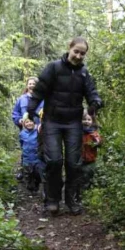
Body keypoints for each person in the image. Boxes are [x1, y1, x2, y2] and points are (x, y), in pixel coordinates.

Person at [24, 37, 103, 216]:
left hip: (73, 123)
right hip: (52, 121)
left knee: (74, 163)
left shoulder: (84, 73)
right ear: (69, 48)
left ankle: (71, 199)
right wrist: (30, 109)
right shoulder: (53, 68)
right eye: (76, 51)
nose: (78, 56)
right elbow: (39, 90)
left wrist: (95, 102)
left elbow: (92, 92)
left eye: (82, 54)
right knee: (53, 160)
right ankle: (52, 200)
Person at [77, 110, 102, 203]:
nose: (86, 121)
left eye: (89, 119)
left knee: (88, 177)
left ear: (92, 121)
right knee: (79, 178)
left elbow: (99, 142)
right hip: (79, 159)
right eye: (84, 119)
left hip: (90, 160)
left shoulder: (94, 133)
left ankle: (86, 196)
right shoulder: (78, 132)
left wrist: (97, 142)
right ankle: (79, 196)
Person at [18, 118, 44, 193]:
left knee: (37, 174)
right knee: (28, 174)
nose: (29, 123)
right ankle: (30, 187)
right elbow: (21, 143)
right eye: (27, 122)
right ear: (24, 124)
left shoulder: (37, 132)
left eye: (31, 121)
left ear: (34, 123)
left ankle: (37, 184)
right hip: (27, 158)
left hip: (37, 158)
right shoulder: (22, 133)